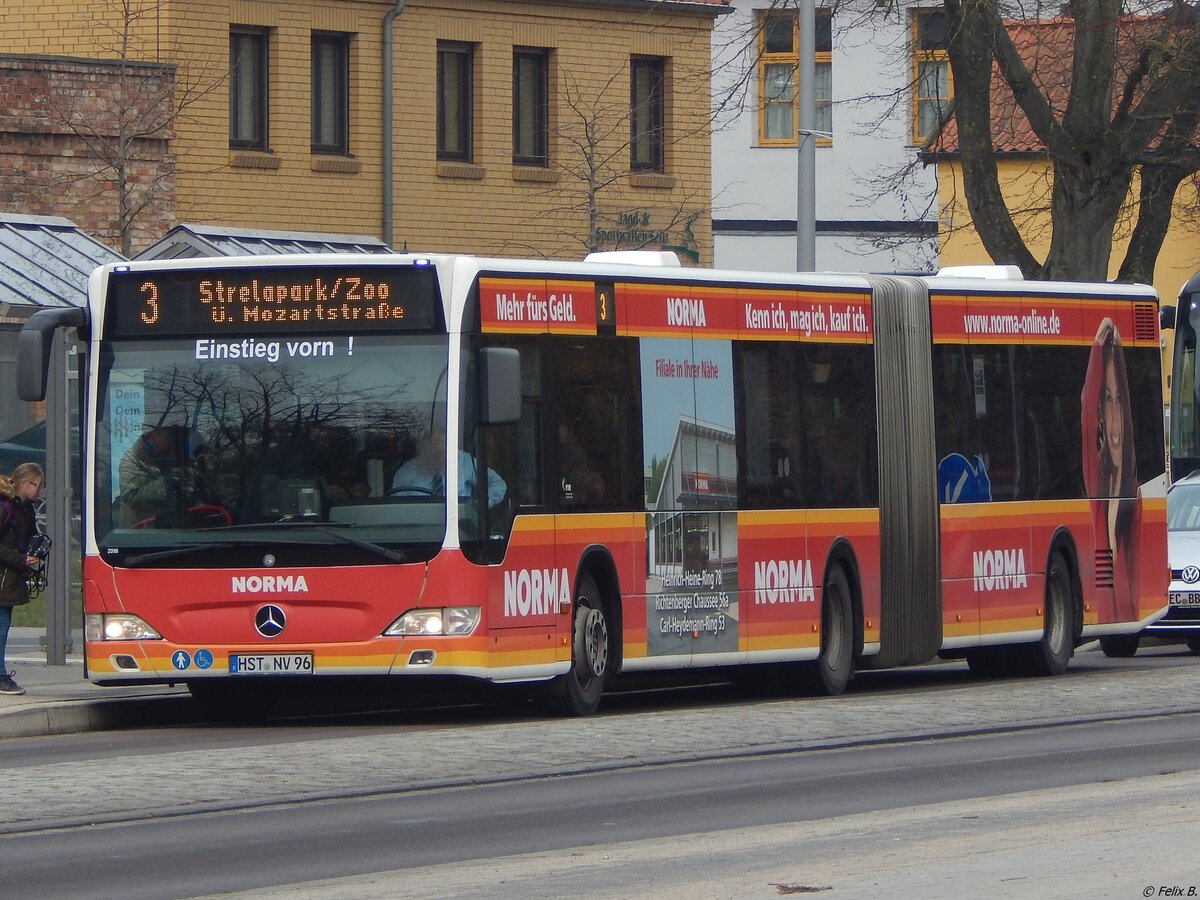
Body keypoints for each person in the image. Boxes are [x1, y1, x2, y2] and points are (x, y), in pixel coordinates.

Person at [1081, 317, 1140, 622]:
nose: (1114, 416)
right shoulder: (1096, 488)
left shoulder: (1136, 498)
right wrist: (1096, 347)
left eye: (1119, 401)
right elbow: (1086, 409)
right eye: (1107, 400)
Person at [0, 462, 45, 696]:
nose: (39, 491)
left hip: (10, 577)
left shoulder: (26, 508)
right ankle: (0, 676)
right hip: (5, 575)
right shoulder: (6, 506)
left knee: (3, 625)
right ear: (26, 484)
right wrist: (21, 559)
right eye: (37, 485)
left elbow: (26, 537)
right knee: (1, 626)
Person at [116, 425, 211, 526]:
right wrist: (173, 480)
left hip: (197, 526)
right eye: (169, 431)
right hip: (146, 533)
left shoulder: (182, 446)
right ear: (153, 435)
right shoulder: (131, 460)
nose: (174, 435)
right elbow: (132, 497)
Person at [391, 429, 506, 507]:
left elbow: (497, 484)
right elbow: (395, 510)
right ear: (422, 450)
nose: (441, 454)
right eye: (434, 451)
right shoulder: (405, 474)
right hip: (420, 532)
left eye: (442, 447)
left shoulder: (462, 460)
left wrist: (478, 506)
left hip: (459, 530)